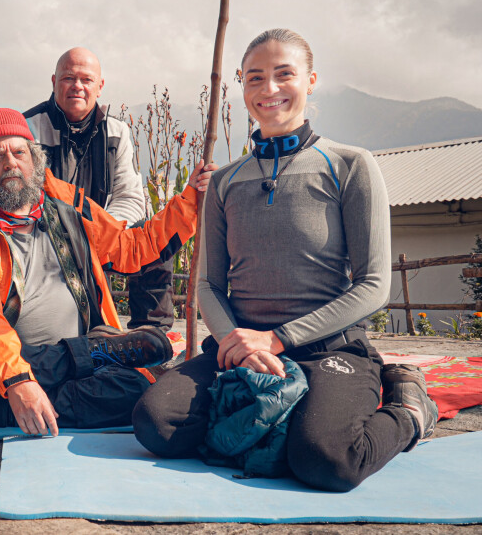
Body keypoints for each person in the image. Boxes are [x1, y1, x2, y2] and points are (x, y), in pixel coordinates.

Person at [132, 29, 438, 491]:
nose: (268, 89)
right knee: (155, 423)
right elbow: (209, 285)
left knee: (328, 461)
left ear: (311, 81)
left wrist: (278, 339)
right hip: (238, 347)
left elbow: (373, 284)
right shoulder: (225, 181)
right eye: (255, 78)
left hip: (327, 348)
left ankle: (411, 409)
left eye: (284, 74)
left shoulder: (350, 164)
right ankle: (281, 421)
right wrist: (236, 342)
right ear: (242, 86)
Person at [0, 108, 212, 436]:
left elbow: (134, 249)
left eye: (19, 152)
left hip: (84, 362)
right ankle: (87, 357)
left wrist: (191, 200)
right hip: (26, 360)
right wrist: (19, 380)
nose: (10, 163)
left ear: (34, 160)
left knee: (137, 387)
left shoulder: (70, 207)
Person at [24, 47, 177, 330]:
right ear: (54, 81)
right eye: (69, 78)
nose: (77, 87)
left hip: (102, 236)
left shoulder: (117, 132)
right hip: (47, 238)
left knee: (154, 239)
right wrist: (70, 232)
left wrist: (98, 232)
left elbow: (130, 197)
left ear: (100, 86)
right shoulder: (28, 129)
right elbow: (26, 199)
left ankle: (151, 333)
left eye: (86, 79)